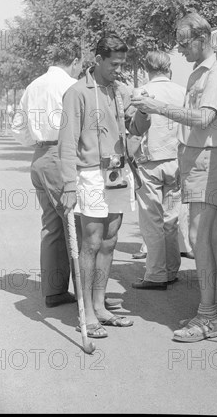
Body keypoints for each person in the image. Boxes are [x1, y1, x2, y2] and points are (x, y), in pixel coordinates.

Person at [131, 11, 217, 342]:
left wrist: (159, 107)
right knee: (212, 239)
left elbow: (203, 118)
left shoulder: (215, 73)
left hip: (207, 159)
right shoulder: (198, 74)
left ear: (202, 39)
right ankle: (215, 310)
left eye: (184, 43)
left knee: (199, 238)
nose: (180, 50)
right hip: (199, 159)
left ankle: (207, 316)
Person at [59, 34, 136, 339]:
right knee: (91, 241)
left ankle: (100, 305)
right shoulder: (77, 93)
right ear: (99, 60)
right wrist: (67, 184)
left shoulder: (120, 91)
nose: (119, 68)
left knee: (111, 239)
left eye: (122, 63)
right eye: (114, 64)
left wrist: (143, 112)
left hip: (118, 172)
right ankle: (87, 313)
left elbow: (134, 128)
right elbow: (66, 142)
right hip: (89, 173)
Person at [11, 50, 83, 309]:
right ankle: (87, 295)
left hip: (40, 155)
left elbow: (18, 129)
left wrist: (39, 141)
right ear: (75, 61)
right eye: (80, 65)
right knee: (76, 224)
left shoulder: (33, 85)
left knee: (52, 225)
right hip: (60, 156)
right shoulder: (72, 85)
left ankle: (54, 290)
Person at [127, 50, 186, 290]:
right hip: (177, 160)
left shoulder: (142, 93)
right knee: (171, 219)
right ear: (168, 68)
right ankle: (171, 270)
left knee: (152, 220)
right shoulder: (182, 91)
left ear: (146, 68)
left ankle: (156, 274)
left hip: (151, 162)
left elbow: (137, 129)